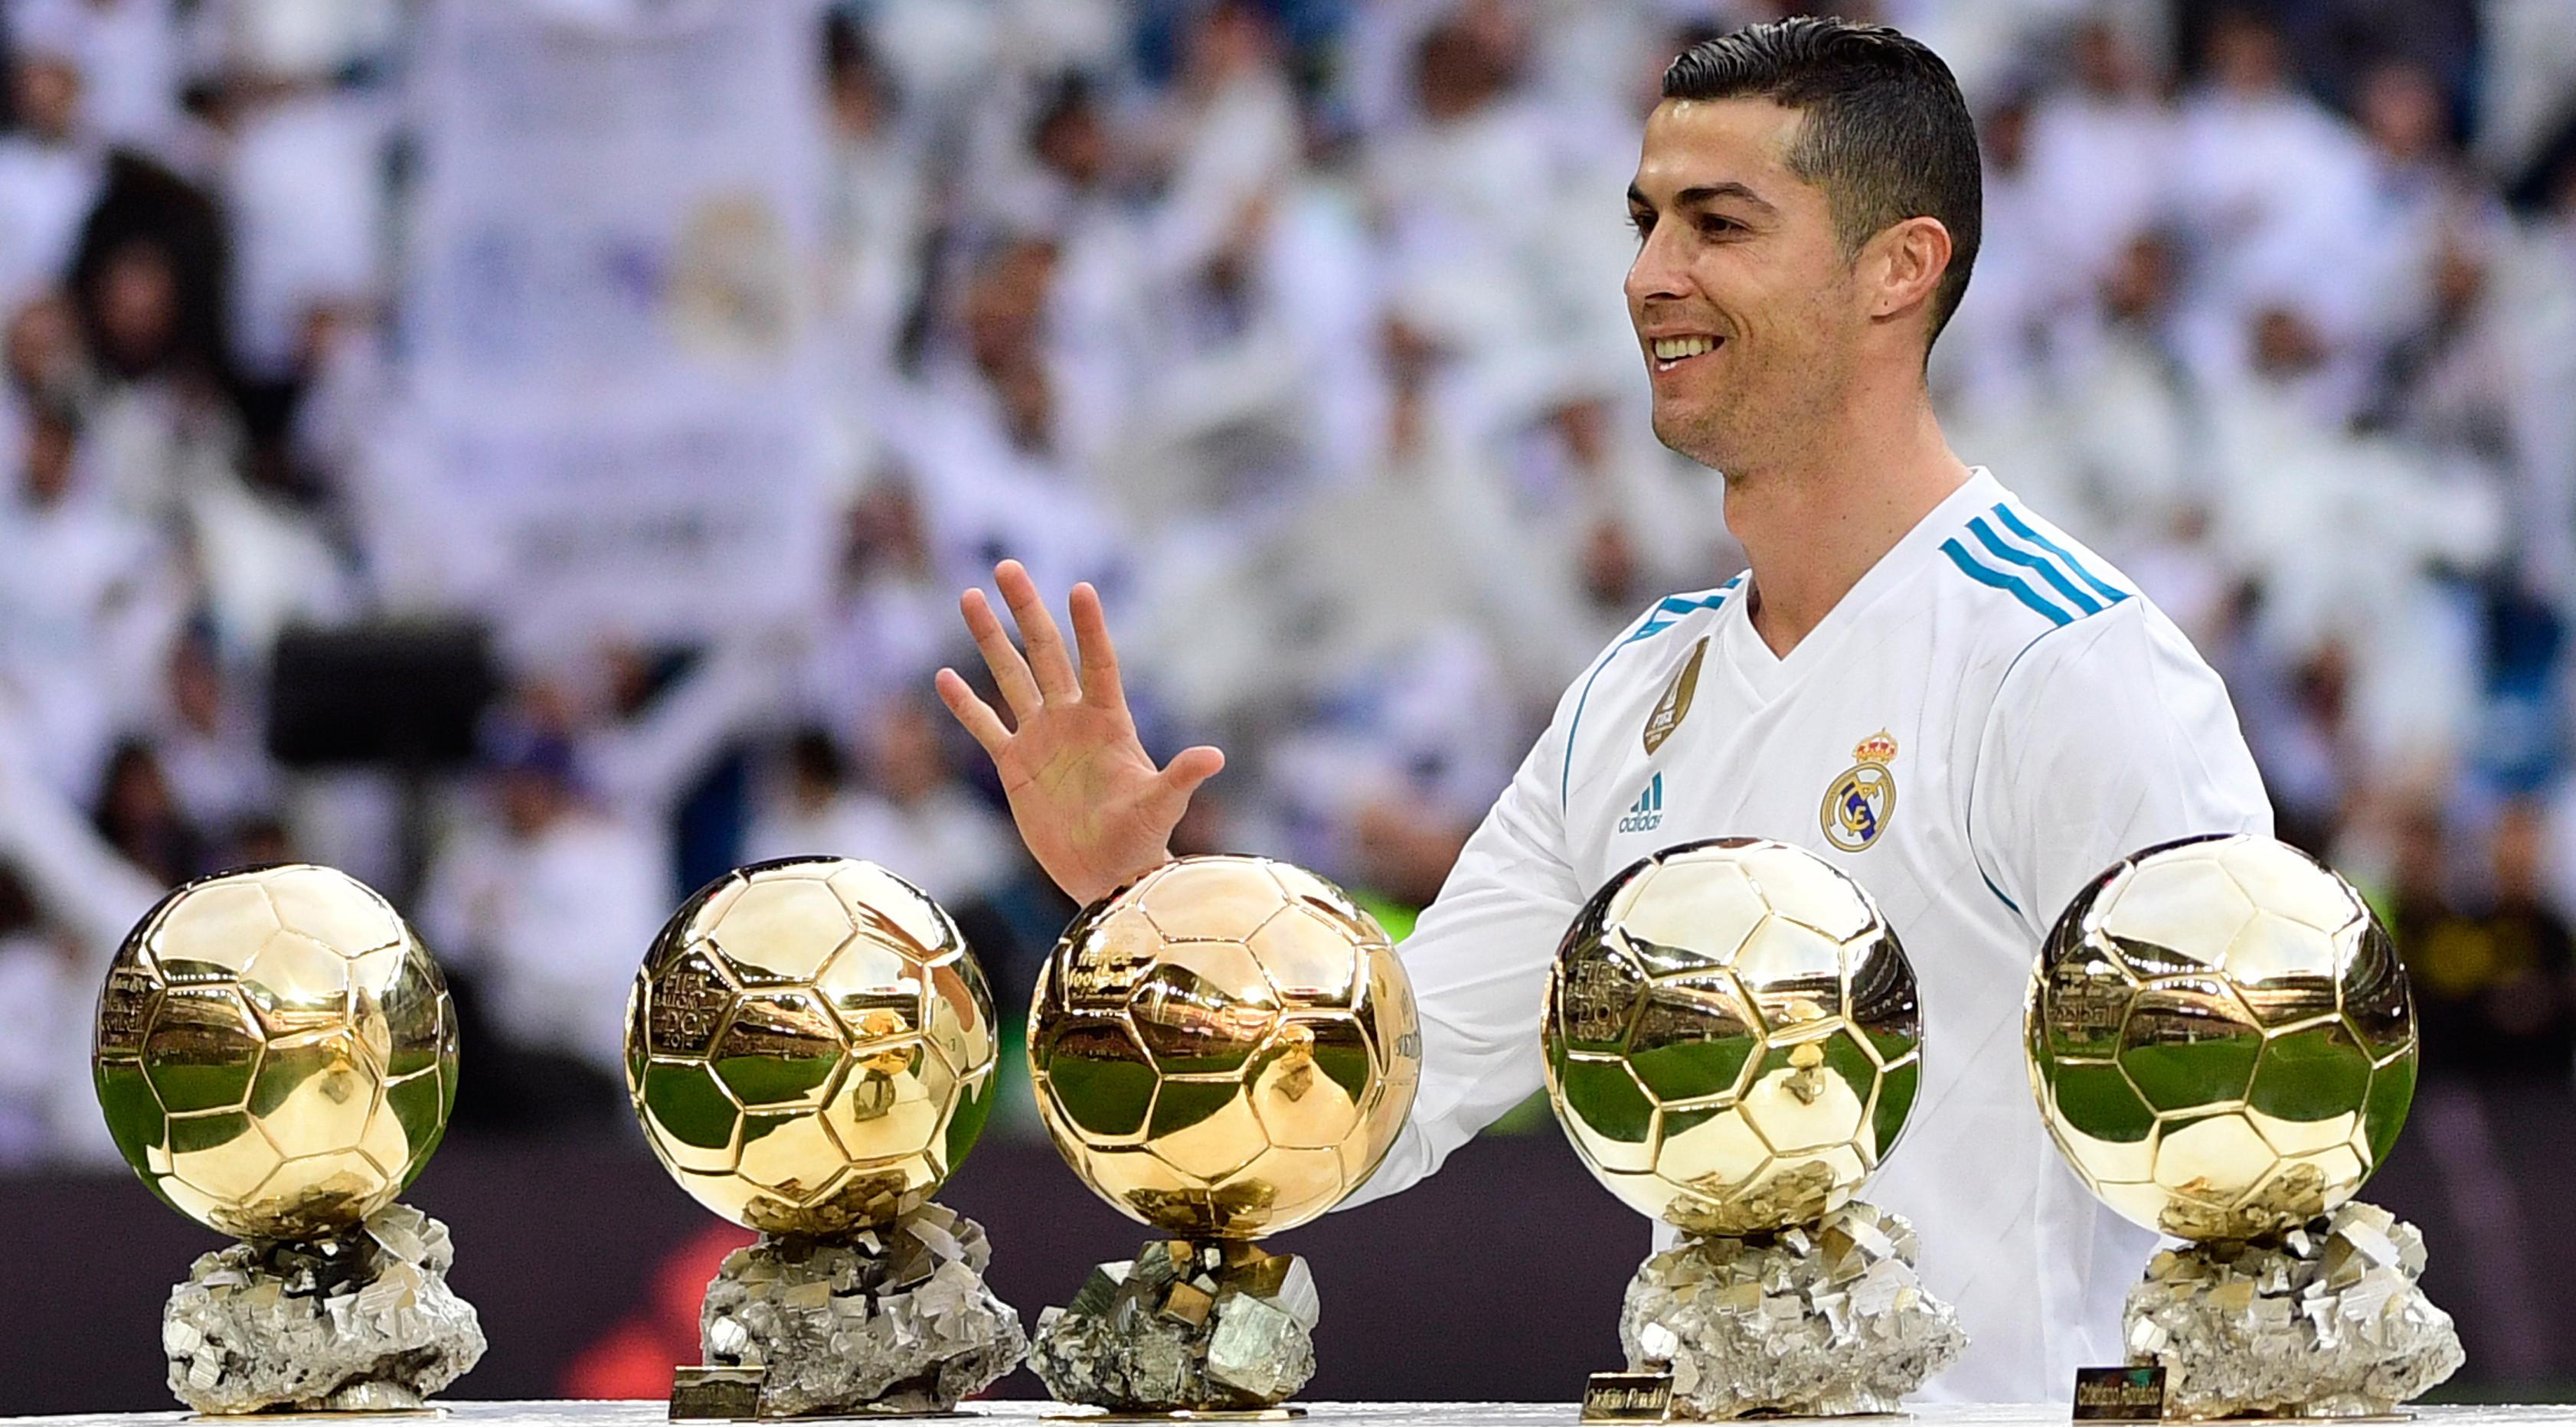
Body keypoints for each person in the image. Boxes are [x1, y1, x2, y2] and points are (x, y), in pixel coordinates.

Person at [932, 18, 2270, 1402]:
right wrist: (1144, 904)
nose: (1648, 278)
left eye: (1719, 224)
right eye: (1644, 223)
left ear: (1899, 268)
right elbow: (1388, 1091)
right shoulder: (1637, 692)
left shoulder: (2067, 665)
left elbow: (2259, 1158)